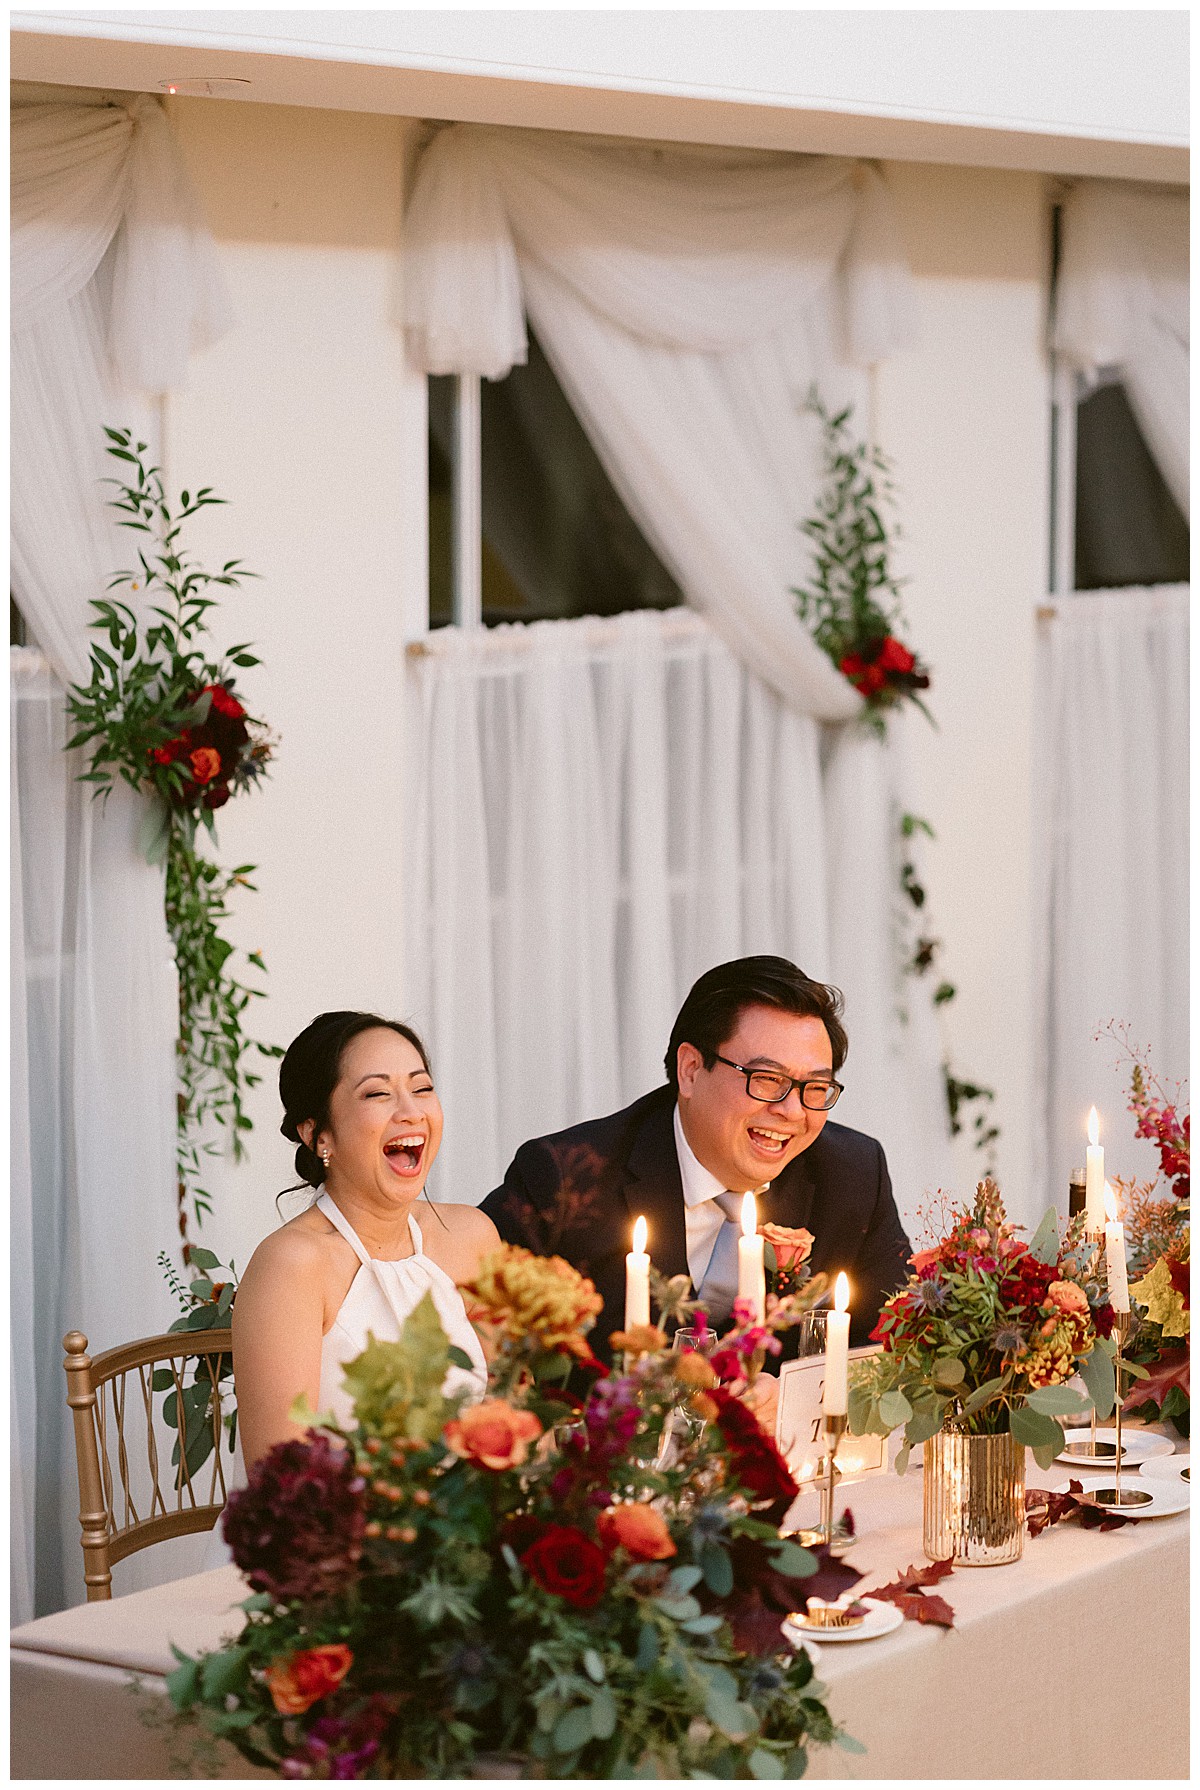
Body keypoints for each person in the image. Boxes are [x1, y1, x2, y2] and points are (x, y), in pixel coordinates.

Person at [482, 956, 911, 1364]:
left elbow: (896, 1350)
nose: (792, 1111)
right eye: (767, 1079)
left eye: (816, 1088)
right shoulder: (566, 1178)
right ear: (690, 1069)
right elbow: (477, 1335)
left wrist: (788, 1397)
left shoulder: (854, 1174)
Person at [233, 1010, 499, 1469]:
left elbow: (518, 1417)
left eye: (422, 1088)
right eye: (377, 1093)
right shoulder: (290, 1265)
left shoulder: (469, 1235)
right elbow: (280, 1481)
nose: (412, 1112)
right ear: (318, 1135)